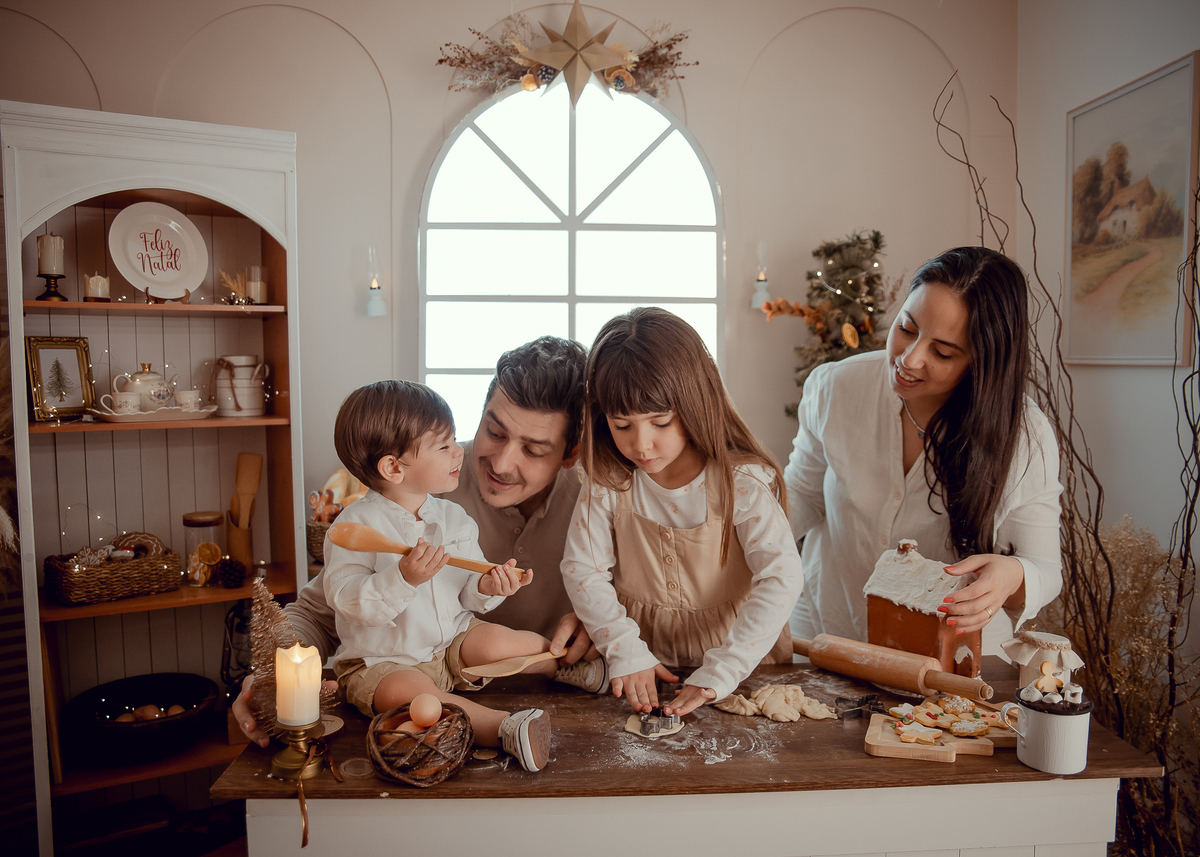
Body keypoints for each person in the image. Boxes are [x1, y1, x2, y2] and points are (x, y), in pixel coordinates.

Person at [234, 337, 600, 745]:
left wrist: (598, 623)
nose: (500, 463)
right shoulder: (419, 480)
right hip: (412, 685)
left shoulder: (598, 504)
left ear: (571, 454)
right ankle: (498, 727)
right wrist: (274, 670)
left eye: (533, 450)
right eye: (493, 432)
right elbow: (320, 610)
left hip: (555, 693)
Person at [785, 246, 1063, 647]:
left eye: (943, 352)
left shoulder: (1024, 436)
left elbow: (1043, 569)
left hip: (946, 655)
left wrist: (1012, 575)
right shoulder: (836, 386)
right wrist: (736, 536)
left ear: (983, 362)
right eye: (907, 328)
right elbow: (804, 494)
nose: (909, 359)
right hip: (827, 628)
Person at [562, 307, 803, 717]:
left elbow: (782, 578)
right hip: (642, 670)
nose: (642, 445)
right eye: (622, 426)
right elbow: (583, 570)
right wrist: (624, 648)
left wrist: (723, 670)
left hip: (743, 667)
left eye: (660, 422)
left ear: (694, 401)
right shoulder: (607, 479)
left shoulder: (741, 483)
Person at [322, 379, 560, 771]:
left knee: (498, 642)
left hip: (449, 643)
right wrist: (402, 579)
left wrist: (487, 586)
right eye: (444, 445)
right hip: (382, 663)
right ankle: (505, 728)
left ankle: (562, 661)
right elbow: (347, 601)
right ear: (393, 467)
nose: (459, 451)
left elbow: (466, 595)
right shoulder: (355, 528)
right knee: (417, 697)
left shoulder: (453, 518)